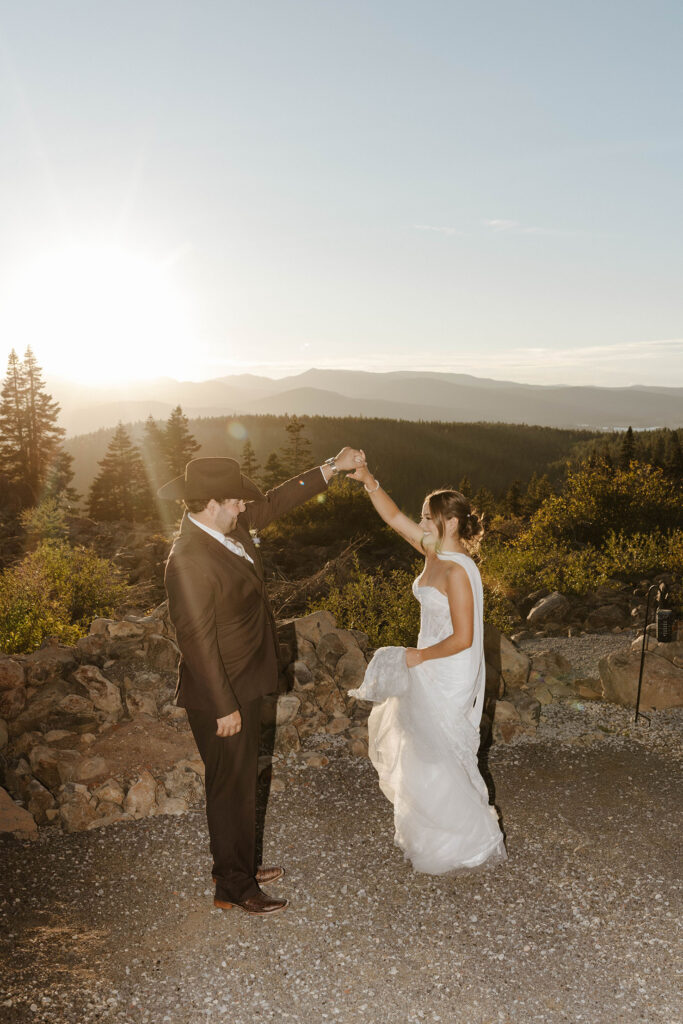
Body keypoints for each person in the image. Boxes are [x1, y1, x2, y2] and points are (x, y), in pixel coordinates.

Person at [159, 450, 363, 915]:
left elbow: (272, 502)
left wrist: (332, 466)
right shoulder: (188, 560)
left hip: (245, 678)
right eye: (234, 502)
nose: (243, 508)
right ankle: (234, 885)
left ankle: (234, 865)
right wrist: (224, 704)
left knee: (236, 780)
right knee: (231, 786)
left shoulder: (230, 528)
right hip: (222, 689)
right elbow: (195, 639)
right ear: (210, 503)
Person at [347, 455, 507, 874]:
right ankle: (430, 832)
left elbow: (465, 638)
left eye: (428, 517)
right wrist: (368, 481)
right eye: (421, 516)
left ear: (450, 523)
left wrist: (416, 656)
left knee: (444, 752)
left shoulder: (457, 572)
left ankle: (465, 840)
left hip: (447, 668)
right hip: (426, 661)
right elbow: (393, 516)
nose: (419, 523)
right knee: (419, 744)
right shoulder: (431, 550)